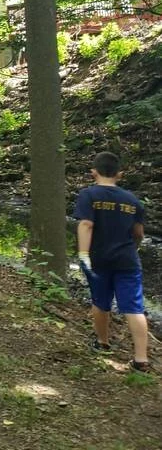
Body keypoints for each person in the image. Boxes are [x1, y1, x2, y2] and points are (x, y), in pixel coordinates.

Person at [74, 151, 149, 373]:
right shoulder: (133, 200)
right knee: (134, 307)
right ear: (120, 174)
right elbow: (139, 233)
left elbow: (86, 225)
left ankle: (103, 343)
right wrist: (133, 249)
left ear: (93, 172)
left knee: (100, 302)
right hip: (127, 260)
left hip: (99, 259)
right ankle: (141, 359)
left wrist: (83, 254)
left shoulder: (89, 195)